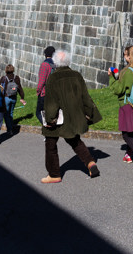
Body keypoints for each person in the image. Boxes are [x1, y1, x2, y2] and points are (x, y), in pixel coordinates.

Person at [41, 50, 102, 183]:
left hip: (59, 118)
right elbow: (85, 96)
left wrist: (50, 118)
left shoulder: (53, 77)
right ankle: (90, 163)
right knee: (75, 141)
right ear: (68, 61)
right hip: (74, 116)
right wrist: (89, 113)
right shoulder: (77, 75)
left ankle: (54, 174)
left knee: (50, 144)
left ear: (55, 62)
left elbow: (51, 101)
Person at [108, 44, 133, 168]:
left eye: (125, 54)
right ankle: (129, 155)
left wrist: (112, 78)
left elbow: (118, 89)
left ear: (130, 57)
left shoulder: (128, 72)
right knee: (131, 131)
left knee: (126, 134)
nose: (124, 57)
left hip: (127, 104)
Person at [0, 64, 26, 135]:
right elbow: (20, 88)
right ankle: (11, 127)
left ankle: (9, 129)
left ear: (6, 70)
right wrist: (22, 97)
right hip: (14, 98)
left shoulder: (4, 78)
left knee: (6, 114)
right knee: (11, 113)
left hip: (6, 97)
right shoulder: (16, 78)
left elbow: (0, 89)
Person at [36, 46, 55, 124]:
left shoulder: (45, 65)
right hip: (53, 93)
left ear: (45, 54)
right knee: (49, 114)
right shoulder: (55, 65)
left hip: (44, 93)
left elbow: (42, 81)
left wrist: (38, 91)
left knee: (39, 113)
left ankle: (48, 128)